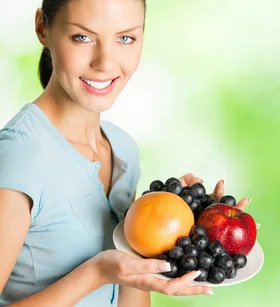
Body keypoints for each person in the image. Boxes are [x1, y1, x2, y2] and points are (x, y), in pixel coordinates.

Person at [0, 0, 251, 306]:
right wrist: (97, 273)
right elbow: (107, 272)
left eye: (125, 38)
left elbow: (132, 290)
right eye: (83, 37)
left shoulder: (123, 149)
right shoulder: (20, 156)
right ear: (42, 27)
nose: (105, 63)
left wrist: (173, 215)